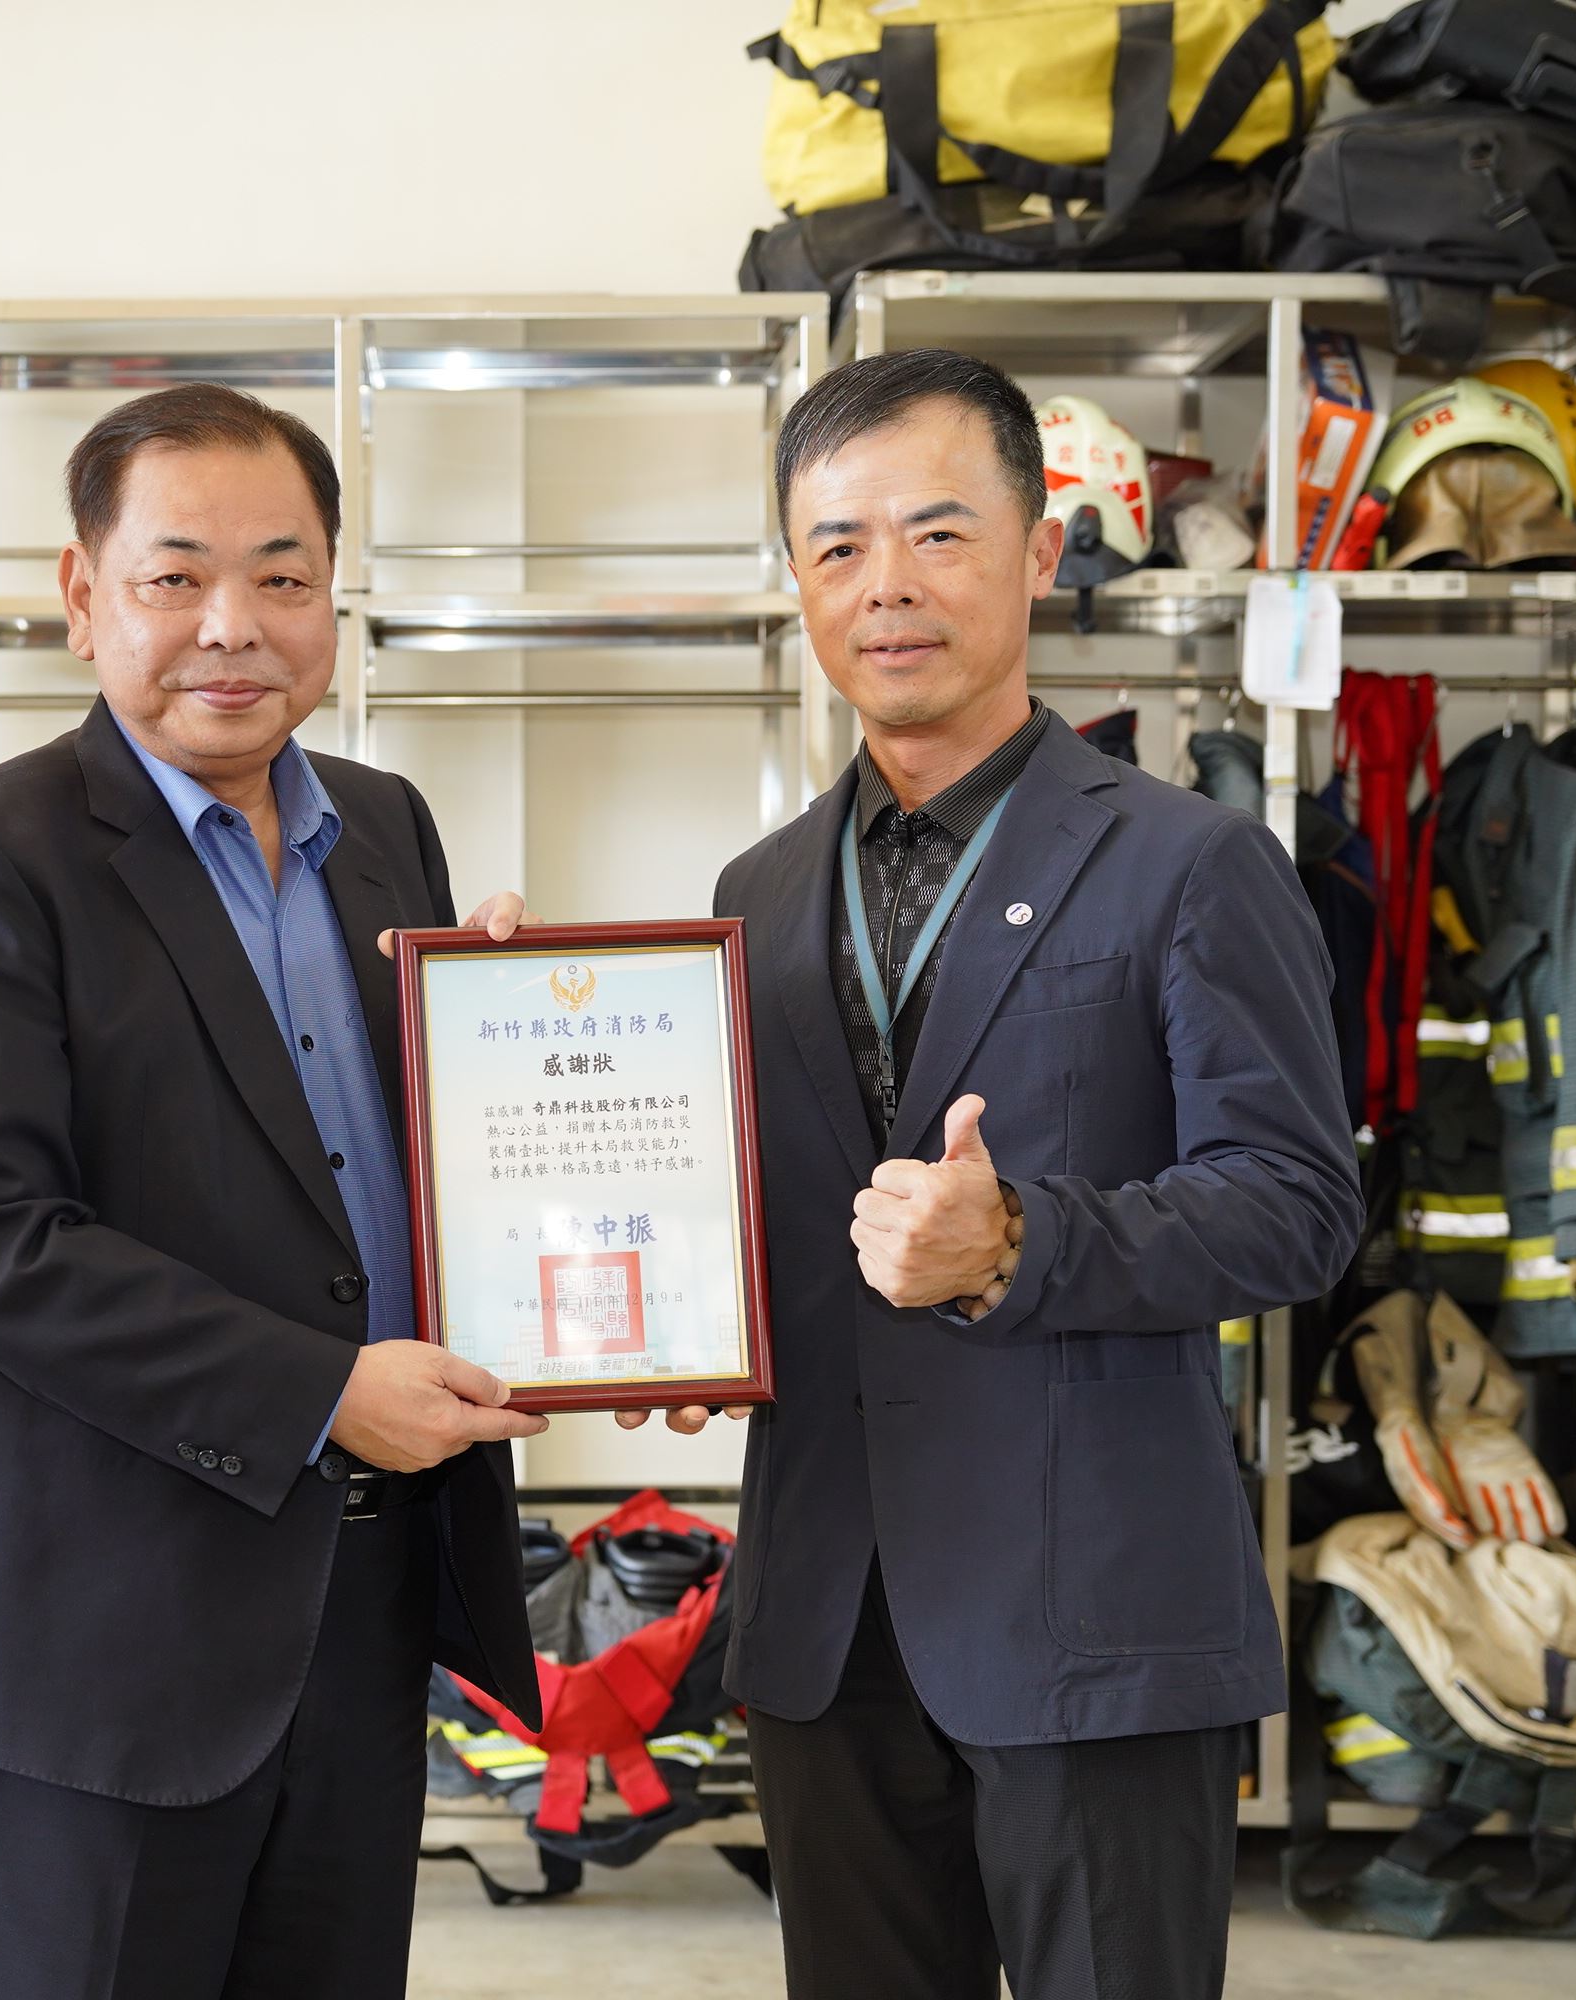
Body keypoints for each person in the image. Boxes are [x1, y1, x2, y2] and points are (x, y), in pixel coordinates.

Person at [625, 348, 1362, 1998]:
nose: (885, 585)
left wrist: (1022, 1237)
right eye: (838, 545)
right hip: (828, 1624)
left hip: (1093, 1618)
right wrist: (673, 1320)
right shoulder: (751, 893)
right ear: (799, 581)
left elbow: (1299, 1204)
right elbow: (757, 1207)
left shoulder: (1195, 860)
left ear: (1040, 552)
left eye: (938, 533)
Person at [0, 383, 545, 2000]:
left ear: (332, 597)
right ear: (82, 594)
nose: (232, 626)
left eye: (282, 576)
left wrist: (513, 1043)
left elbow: (404, 1169)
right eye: (174, 576)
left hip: (363, 1602)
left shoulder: (384, 828)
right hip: (103, 1645)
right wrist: (323, 1395)